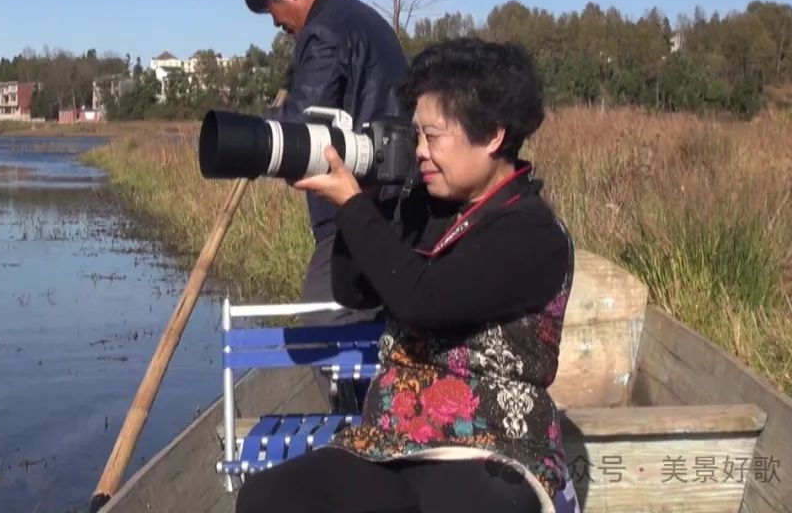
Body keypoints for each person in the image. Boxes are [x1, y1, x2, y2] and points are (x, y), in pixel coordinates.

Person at [234, 38, 577, 513]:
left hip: (492, 447)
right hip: (391, 437)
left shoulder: (533, 233)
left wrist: (352, 207)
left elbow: (423, 300)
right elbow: (353, 290)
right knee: (267, 496)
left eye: (432, 136)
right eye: (416, 135)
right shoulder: (429, 208)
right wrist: (369, 199)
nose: (419, 151)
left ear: (494, 136)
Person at [233, 0, 409, 306]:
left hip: (363, 197)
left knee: (327, 318)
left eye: (271, 10)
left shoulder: (325, 31)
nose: (276, 23)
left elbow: (300, 128)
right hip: (388, 195)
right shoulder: (353, 16)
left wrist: (256, 137)